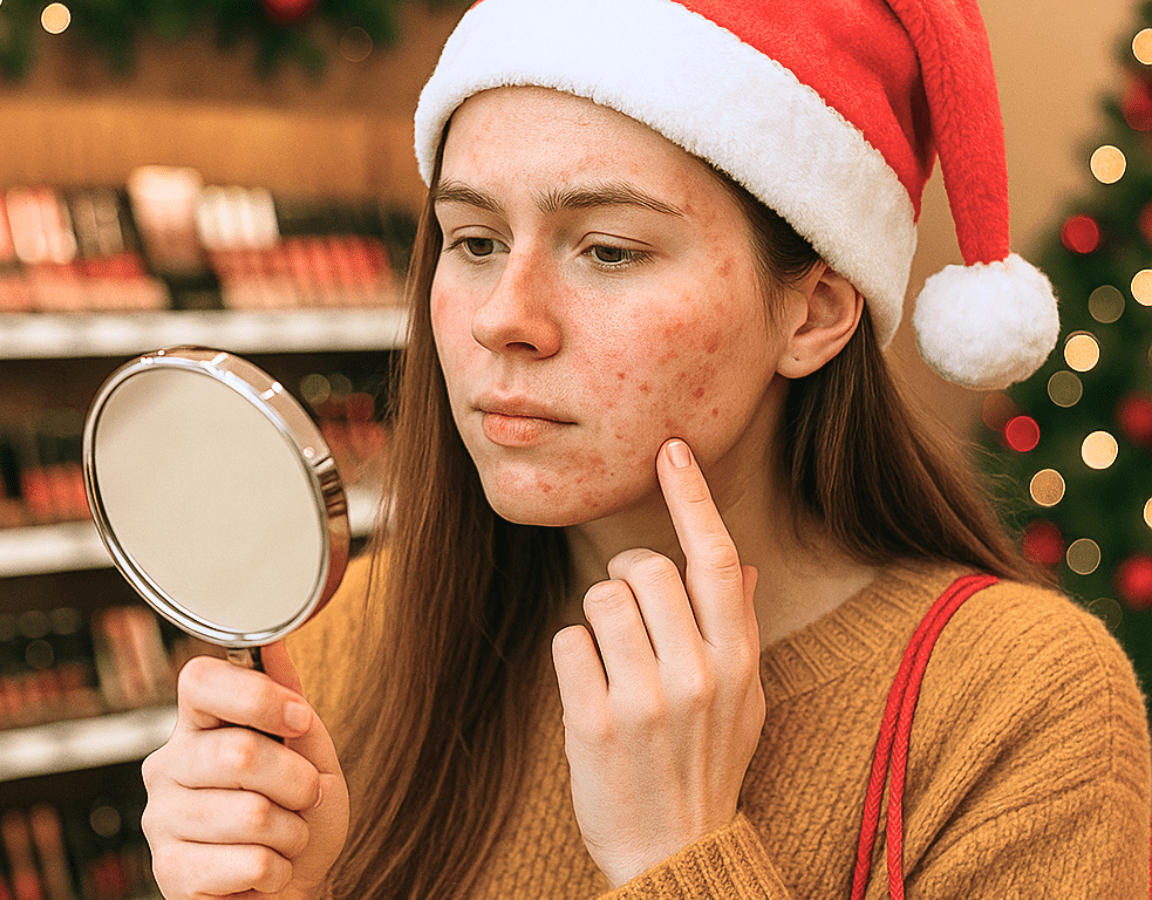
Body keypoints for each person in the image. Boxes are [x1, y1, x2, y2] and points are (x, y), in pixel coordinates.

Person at [140, 0, 1152, 897]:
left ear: (815, 313)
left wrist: (682, 854)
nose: (505, 318)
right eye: (474, 241)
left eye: (609, 250)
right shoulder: (348, 640)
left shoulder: (1019, 706)